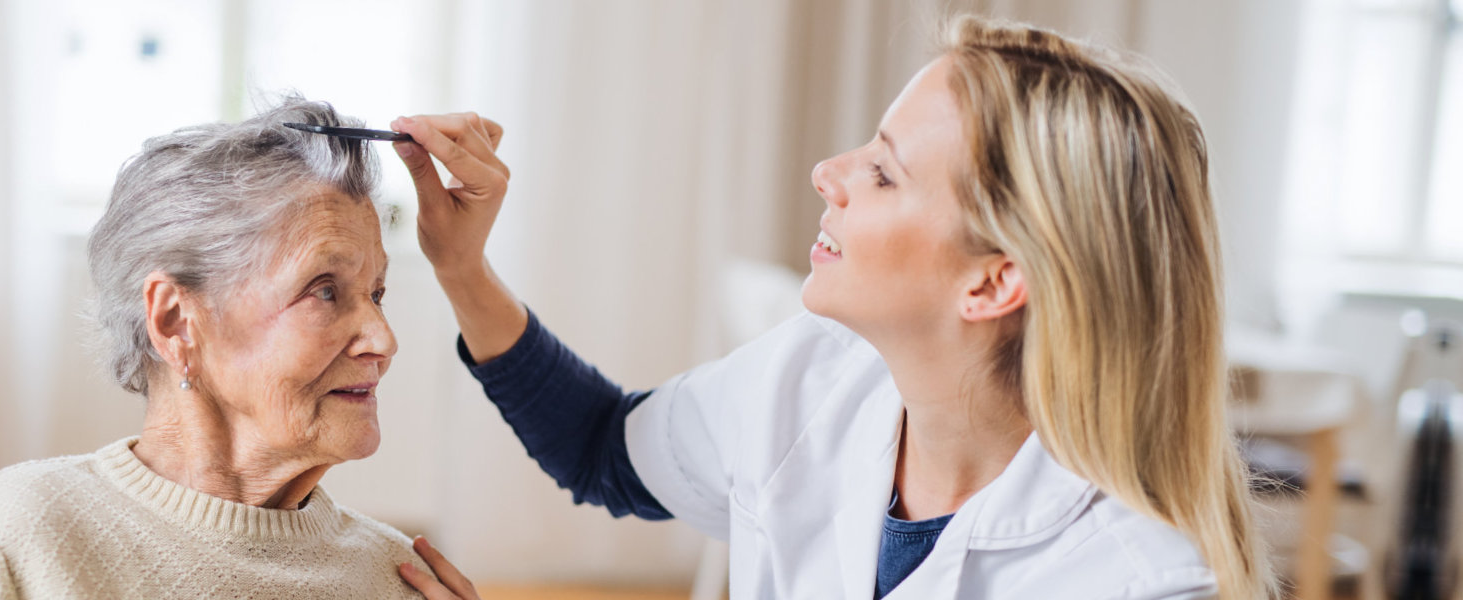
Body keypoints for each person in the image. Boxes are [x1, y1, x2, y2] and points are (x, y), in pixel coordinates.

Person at [390, 16, 1271, 600]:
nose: (830, 174)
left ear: (993, 283)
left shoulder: (1133, 582)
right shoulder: (816, 377)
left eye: (884, 172)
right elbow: (603, 451)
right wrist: (462, 267)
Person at [0, 95, 438, 599]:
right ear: (175, 321)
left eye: (377, 294)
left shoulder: (402, 577)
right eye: (325, 291)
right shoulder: (22, 531)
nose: (383, 341)